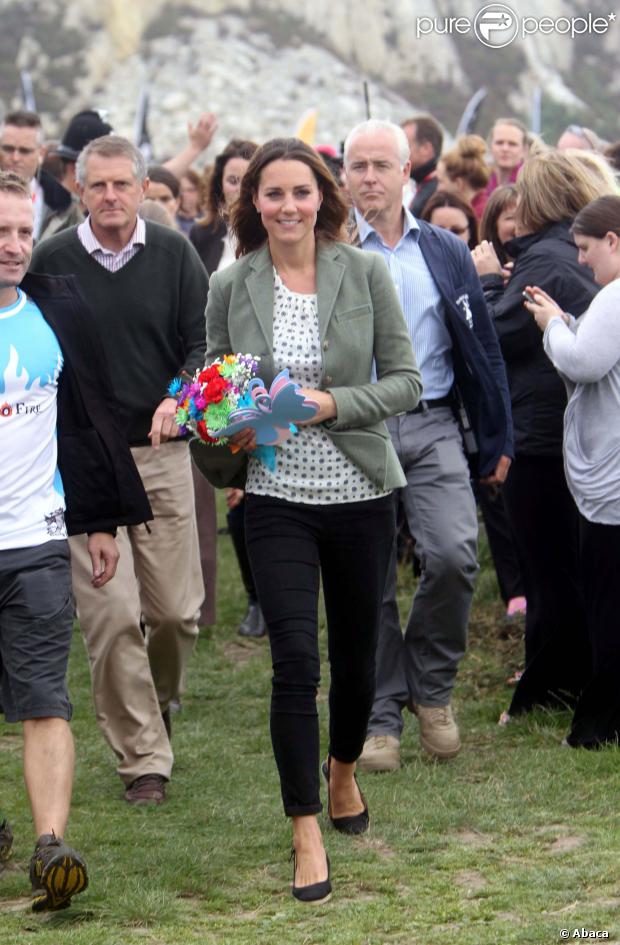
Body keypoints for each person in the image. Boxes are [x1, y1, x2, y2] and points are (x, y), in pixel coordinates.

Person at [193, 137, 421, 902]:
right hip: (274, 496)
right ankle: (304, 828)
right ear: (252, 204)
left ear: (323, 197)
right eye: (272, 194)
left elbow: (406, 382)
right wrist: (233, 417)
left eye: (301, 192)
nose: (288, 206)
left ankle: (345, 770)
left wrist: (331, 404)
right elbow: (216, 385)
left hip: (360, 493)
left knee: (358, 661)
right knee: (295, 661)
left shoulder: (365, 271)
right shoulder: (230, 283)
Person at [31, 135, 207, 806]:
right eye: (96, 185)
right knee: (110, 615)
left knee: (172, 613)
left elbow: (203, 340)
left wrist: (178, 393)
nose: (109, 196)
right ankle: (143, 761)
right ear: (80, 191)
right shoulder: (51, 261)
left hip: (161, 450)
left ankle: (158, 703)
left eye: (121, 185)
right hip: (83, 459)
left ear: (141, 189)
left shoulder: (173, 253)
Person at [0, 170, 151, 909]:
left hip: (34, 540)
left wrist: (95, 521)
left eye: (24, 231)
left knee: (43, 698)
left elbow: (87, 424)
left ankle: (49, 845)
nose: (14, 246)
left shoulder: (55, 309)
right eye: (0, 232)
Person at [342, 119, 512, 772]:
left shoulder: (442, 248)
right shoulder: (332, 252)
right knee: (371, 576)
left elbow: (482, 349)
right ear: (346, 175)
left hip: (436, 421)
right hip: (358, 428)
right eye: (358, 166)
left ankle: (431, 689)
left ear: (407, 173)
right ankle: (383, 713)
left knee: (453, 554)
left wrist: (497, 435)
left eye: (382, 165)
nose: (369, 178)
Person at [471, 150, 613, 722]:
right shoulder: (574, 257)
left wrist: (483, 285)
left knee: (549, 573)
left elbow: (495, 338)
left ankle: (550, 690)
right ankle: (570, 682)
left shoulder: (545, 262)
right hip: (579, 436)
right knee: (575, 571)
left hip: (543, 435)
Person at [523, 194, 620, 747]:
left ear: (613, 241)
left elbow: (584, 360)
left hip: (612, 482)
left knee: (608, 605)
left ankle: (596, 727)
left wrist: (552, 326)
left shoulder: (614, 295)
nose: (581, 261)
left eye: (585, 249)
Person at [190, 138, 264, 636]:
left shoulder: (274, 239)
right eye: (231, 179)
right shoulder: (200, 239)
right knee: (236, 490)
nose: (237, 189)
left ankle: (268, 593)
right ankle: (255, 596)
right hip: (222, 372)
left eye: (247, 180)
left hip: (267, 376)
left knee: (262, 491)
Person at [0, 110, 81, 241]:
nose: (15, 158)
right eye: (8, 149)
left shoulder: (66, 208)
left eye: (25, 151)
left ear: (41, 154)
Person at [436, 134, 490, 219]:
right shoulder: (472, 210)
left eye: (441, 181)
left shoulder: (476, 217)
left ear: (458, 184)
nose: (438, 189)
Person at [400, 114, 443, 217]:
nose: (398, 153)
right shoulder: (424, 185)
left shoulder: (437, 194)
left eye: (404, 146)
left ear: (426, 149)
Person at [485, 118, 529, 198]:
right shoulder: (479, 182)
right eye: (499, 143)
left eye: (512, 144)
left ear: (524, 150)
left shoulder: (530, 185)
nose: (505, 149)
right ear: (490, 147)